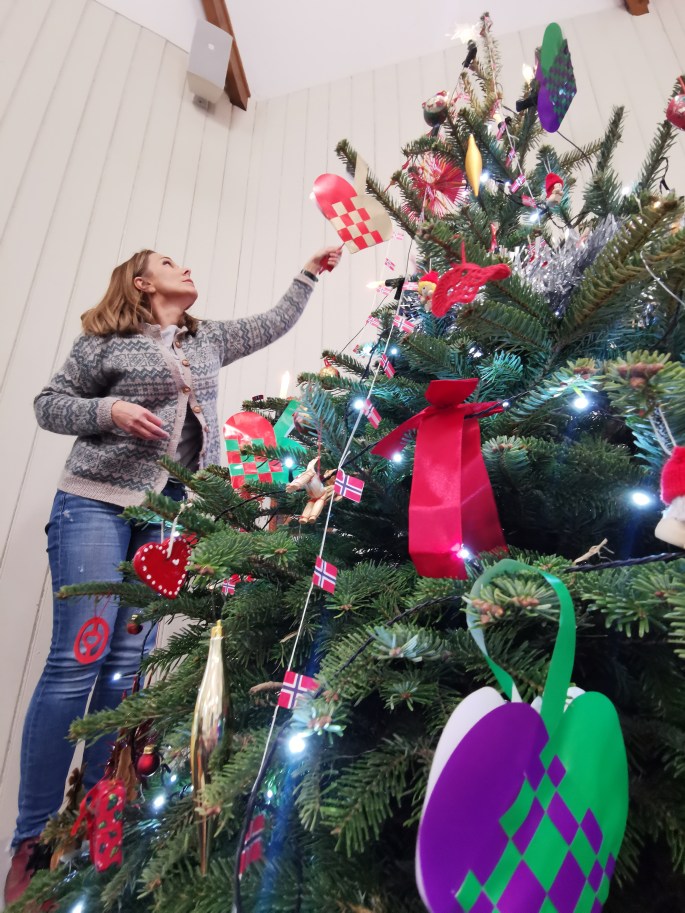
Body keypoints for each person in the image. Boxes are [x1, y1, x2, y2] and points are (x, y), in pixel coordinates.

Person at [5, 245, 342, 903]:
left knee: (127, 666)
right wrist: (109, 412)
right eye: (168, 261)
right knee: (80, 658)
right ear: (140, 281)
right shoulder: (106, 343)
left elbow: (272, 322)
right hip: (94, 503)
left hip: (164, 514)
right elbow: (50, 403)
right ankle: (33, 837)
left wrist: (306, 273)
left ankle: (95, 813)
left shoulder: (207, 337)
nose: (185, 267)